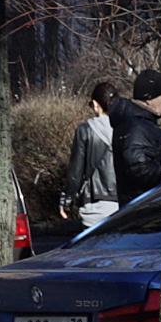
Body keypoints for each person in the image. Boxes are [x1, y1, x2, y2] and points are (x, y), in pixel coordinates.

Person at [110, 68, 161, 199]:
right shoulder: (136, 127)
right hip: (145, 210)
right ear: (148, 98)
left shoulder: (140, 123)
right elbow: (140, 170)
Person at [63, 85, 121, 224]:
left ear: (96, 105)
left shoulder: (85, 130)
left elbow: (75, 171)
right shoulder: (126, 128)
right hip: (123, 204)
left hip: (94, 202)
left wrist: (67, 199)